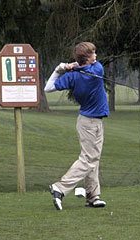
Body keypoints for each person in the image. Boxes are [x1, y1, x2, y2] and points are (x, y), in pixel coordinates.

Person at [44, 42, 110, 210]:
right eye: (93, 53)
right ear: (87, 59)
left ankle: (93, 196)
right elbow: (89, 68)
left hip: (87, 121)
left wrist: (60, 69)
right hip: (90, 123)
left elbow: (48, 87)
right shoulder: (97, 70)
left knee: (93, 159)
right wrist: (74, 67)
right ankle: (60, 188)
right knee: (88, 159)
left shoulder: (72, 76)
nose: (96, 56)